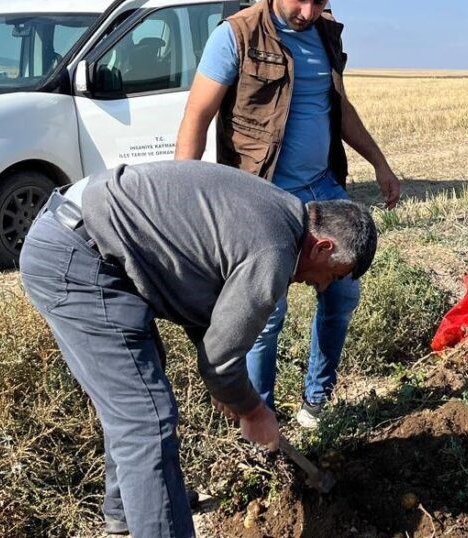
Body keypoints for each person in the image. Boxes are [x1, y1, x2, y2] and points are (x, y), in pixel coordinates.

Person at [19, 160, 377, 537]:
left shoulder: (280, 212)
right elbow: (219, 360)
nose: (322, 286)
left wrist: (231, 390)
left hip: (88, 237)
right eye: (334, 276)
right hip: (78, 256)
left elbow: (204, 300)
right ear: (323, 246)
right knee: (145, 416)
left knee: (137, 392)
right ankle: (155, 521)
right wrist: (253, 410)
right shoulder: (274, 250)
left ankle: (129, 510)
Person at [175, 0, 399, 428]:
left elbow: (339, 111)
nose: (307, 11)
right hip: (262, 193)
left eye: (319, 1)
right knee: (264, 316)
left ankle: (316, 402)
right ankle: (261, 421)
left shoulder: (325, 35)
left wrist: (379, 162)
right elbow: (196, 116)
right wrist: (184, 199)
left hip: (323, 187)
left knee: (343, 292)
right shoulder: (235, 36)